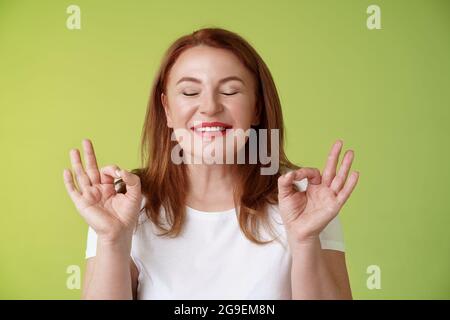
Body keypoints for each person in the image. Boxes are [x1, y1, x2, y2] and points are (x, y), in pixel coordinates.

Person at [63, 27, 359, 300]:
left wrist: (305, 241)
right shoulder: (125, 204)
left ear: (256, 107)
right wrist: (112, 239)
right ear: (167, 109)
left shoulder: (304, 200)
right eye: (190, 92)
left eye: (230, 91)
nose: (209, 107)